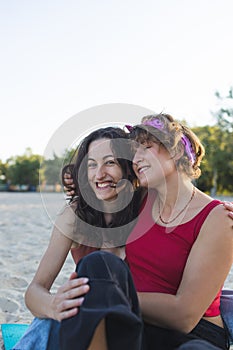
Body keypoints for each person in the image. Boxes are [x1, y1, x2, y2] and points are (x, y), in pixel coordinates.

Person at [60, 114, 233, 350]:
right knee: (97, 263)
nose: (135, 159)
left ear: (177, 152)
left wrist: (111, 296)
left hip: (195, 335)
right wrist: (73, 176)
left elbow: (185, 316)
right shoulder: (138, 199)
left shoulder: (218, 218)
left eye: (146, 148)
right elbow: (100, 181)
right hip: (138, 320)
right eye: (133, 151)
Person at [13, 126, 143, 350]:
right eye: (92, 164)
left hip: (134, 321)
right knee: (46, 324)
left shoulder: (147, 209)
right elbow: (34, 291)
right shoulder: (74, 216)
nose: (99, 174)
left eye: (110, 162)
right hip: (90, 319)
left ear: (128, 166)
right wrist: (54, 304)